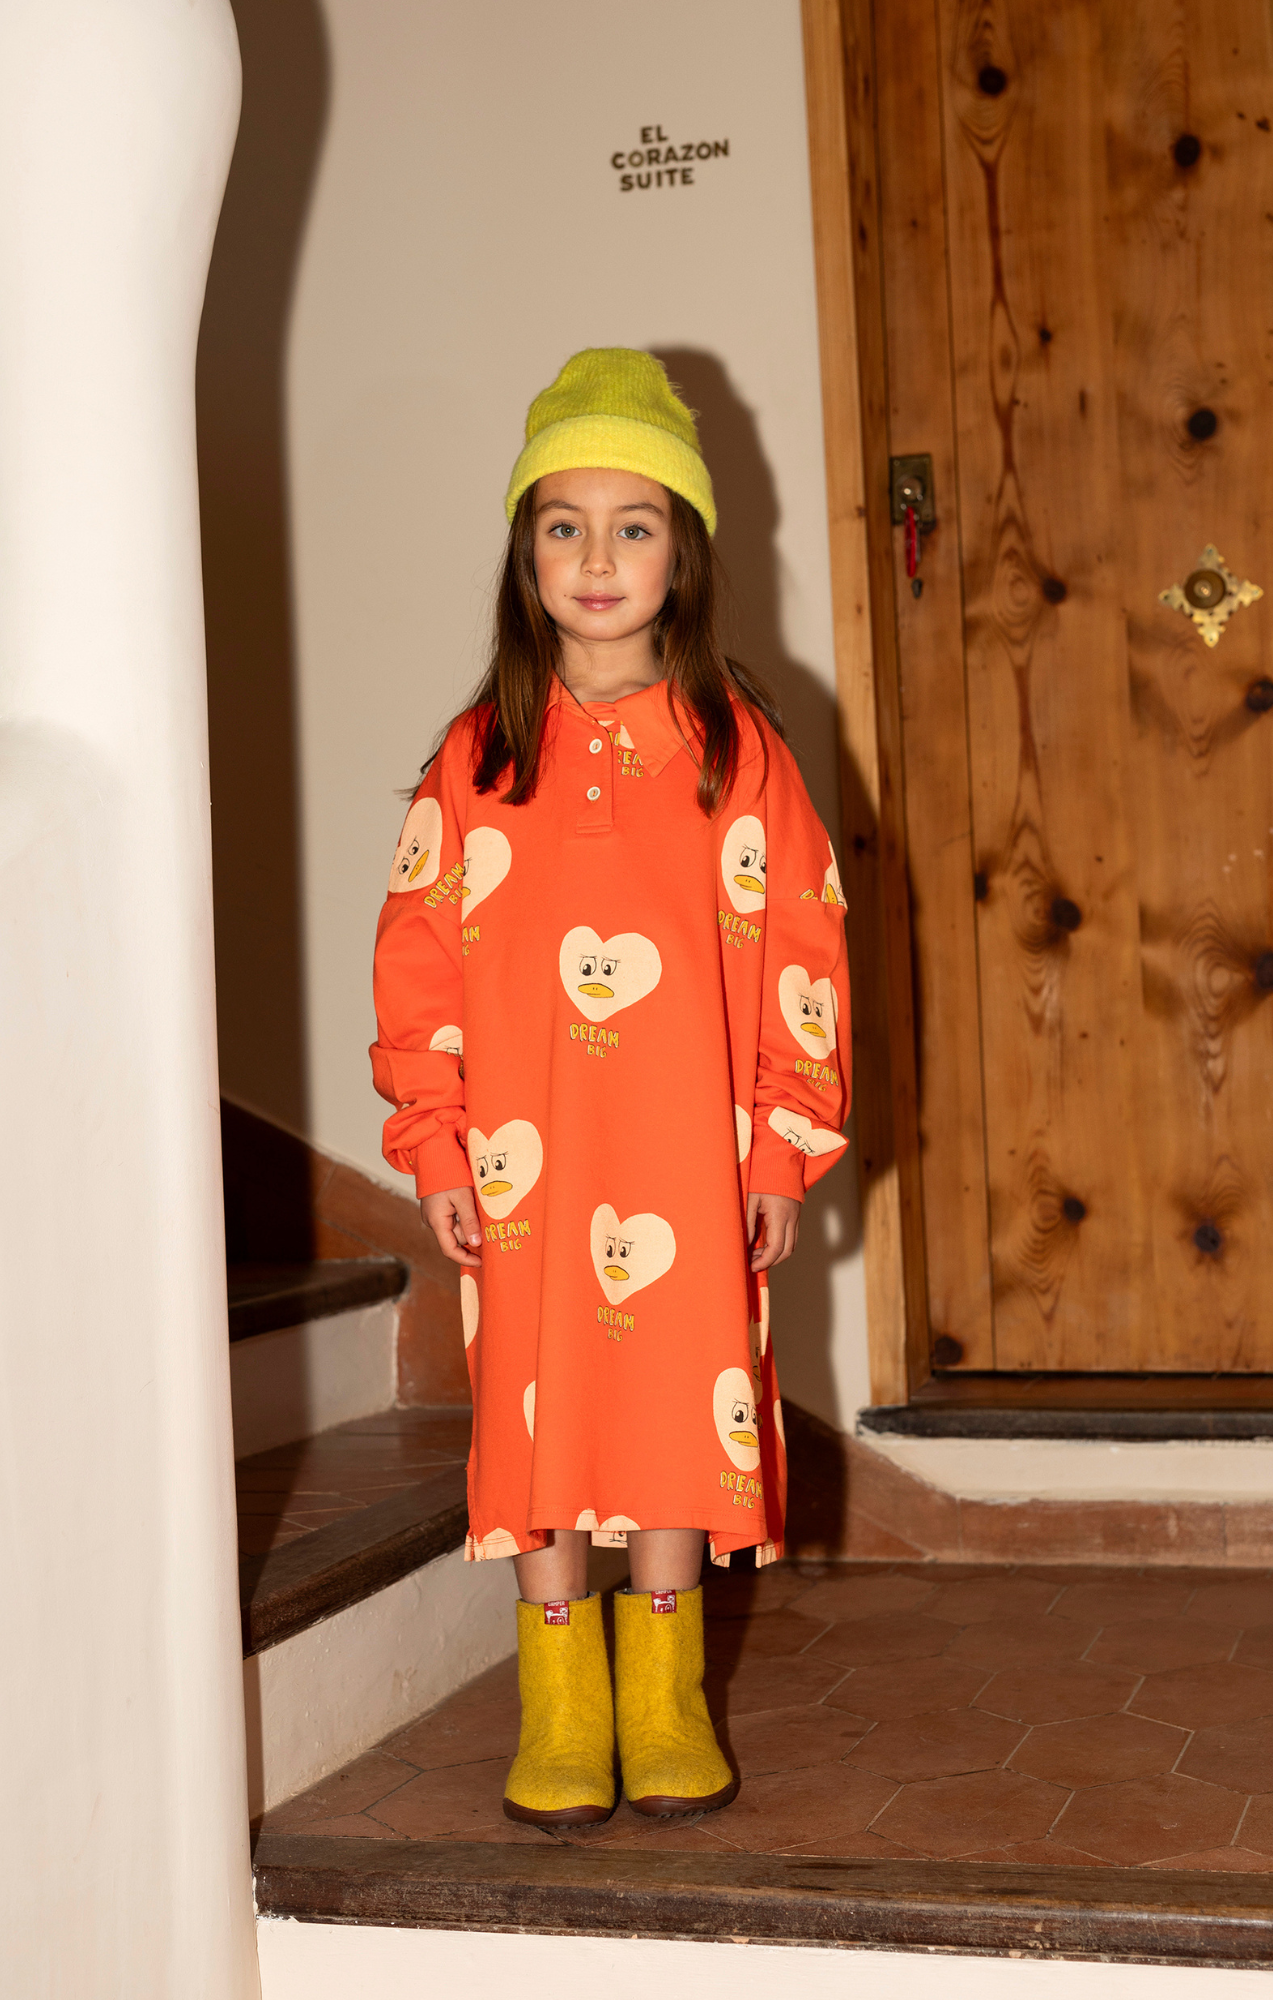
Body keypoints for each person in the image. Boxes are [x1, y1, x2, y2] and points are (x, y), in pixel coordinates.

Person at [370, 348, 851, 1829]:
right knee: (535, 1418)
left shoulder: (737, 754)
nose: (595, 558)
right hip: (526, 1170)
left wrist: (779, 1154)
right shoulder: (477, 761)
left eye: (631, 526)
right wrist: (435, 1144)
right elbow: (416, 963)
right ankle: (562, 1702)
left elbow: (803, 955)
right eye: (562, 525)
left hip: (690, 1163)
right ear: (524, 556)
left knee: (676, 1414)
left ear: (681, 553)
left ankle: (665, 1693)